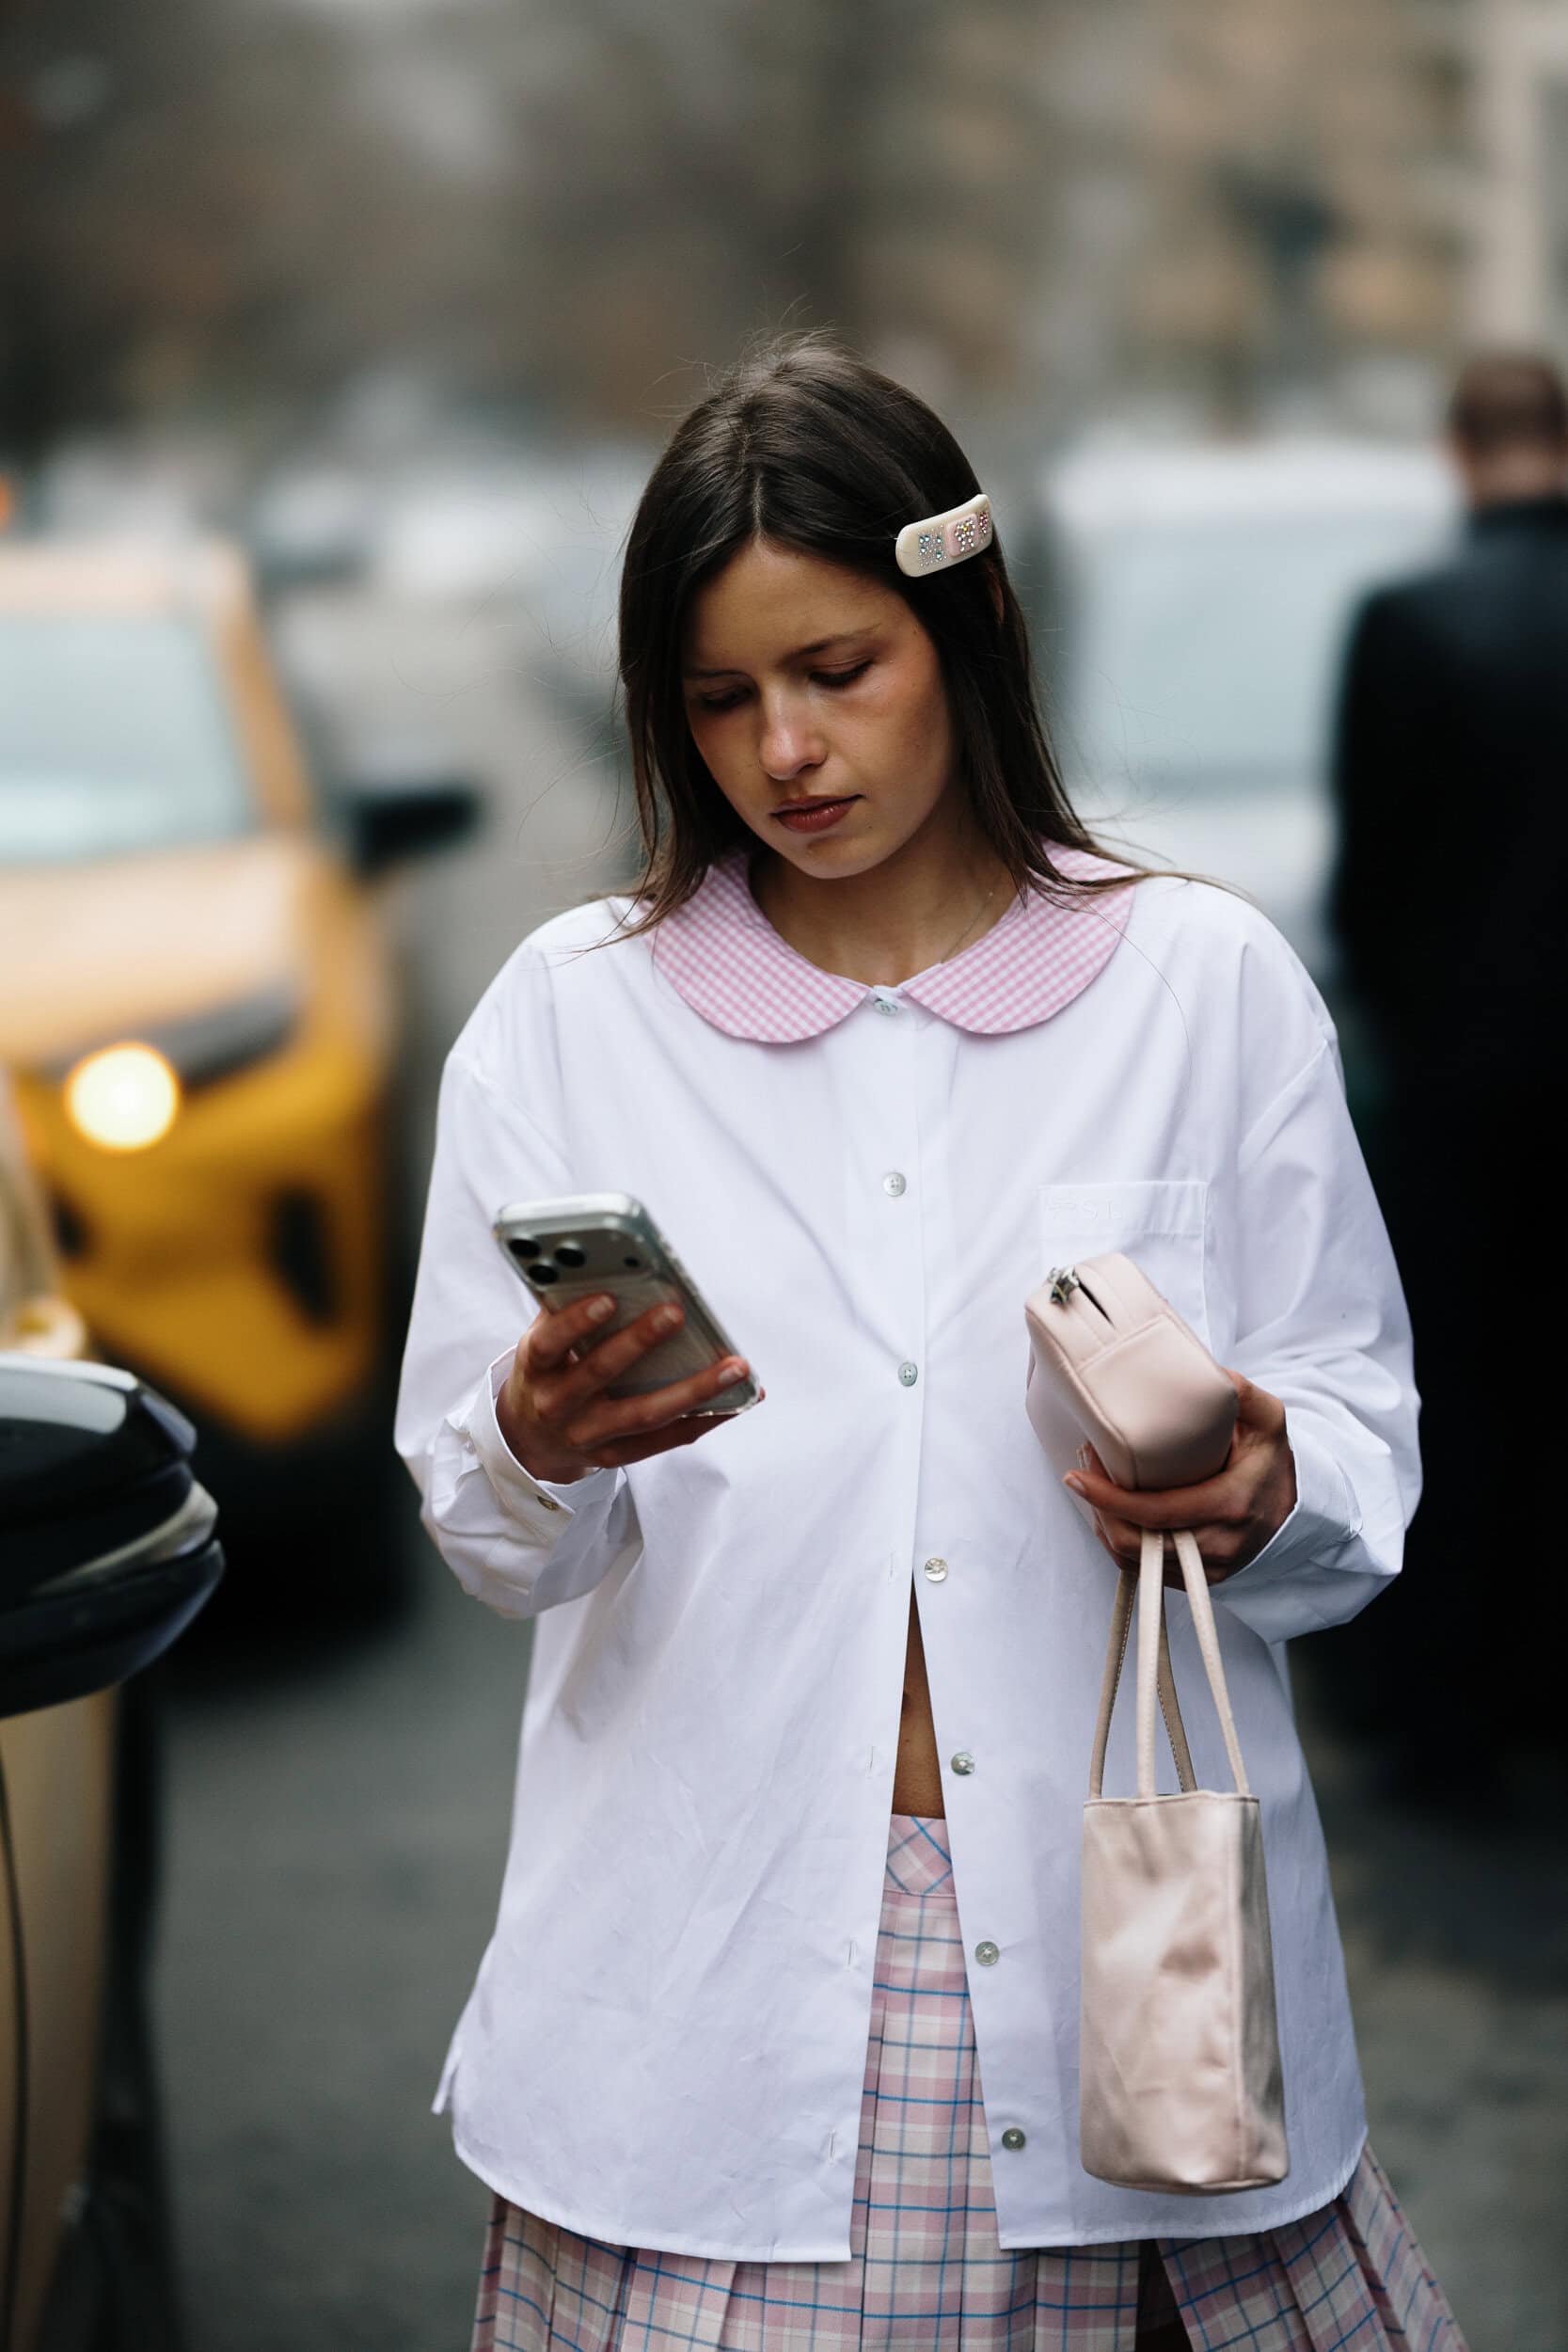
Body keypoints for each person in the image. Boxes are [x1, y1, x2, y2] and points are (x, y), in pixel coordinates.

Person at [397, 338, 1466, 2352]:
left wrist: (1267, 1482)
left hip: (1133, 1970)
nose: (785, 749)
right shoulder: (568, 1018)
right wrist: (537, 1439)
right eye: (720, 698)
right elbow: (496, 1544)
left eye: (838, 670)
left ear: (965, 630)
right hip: (699, 2007)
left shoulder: (1205, 985)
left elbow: (1361, 1462)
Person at [1330, 349, 1568, 1785]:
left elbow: (1371, 883)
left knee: (1457, 1390)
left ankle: (1449, 1713)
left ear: (1460, 451)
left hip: (1462, 1087)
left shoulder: (1410, 621)